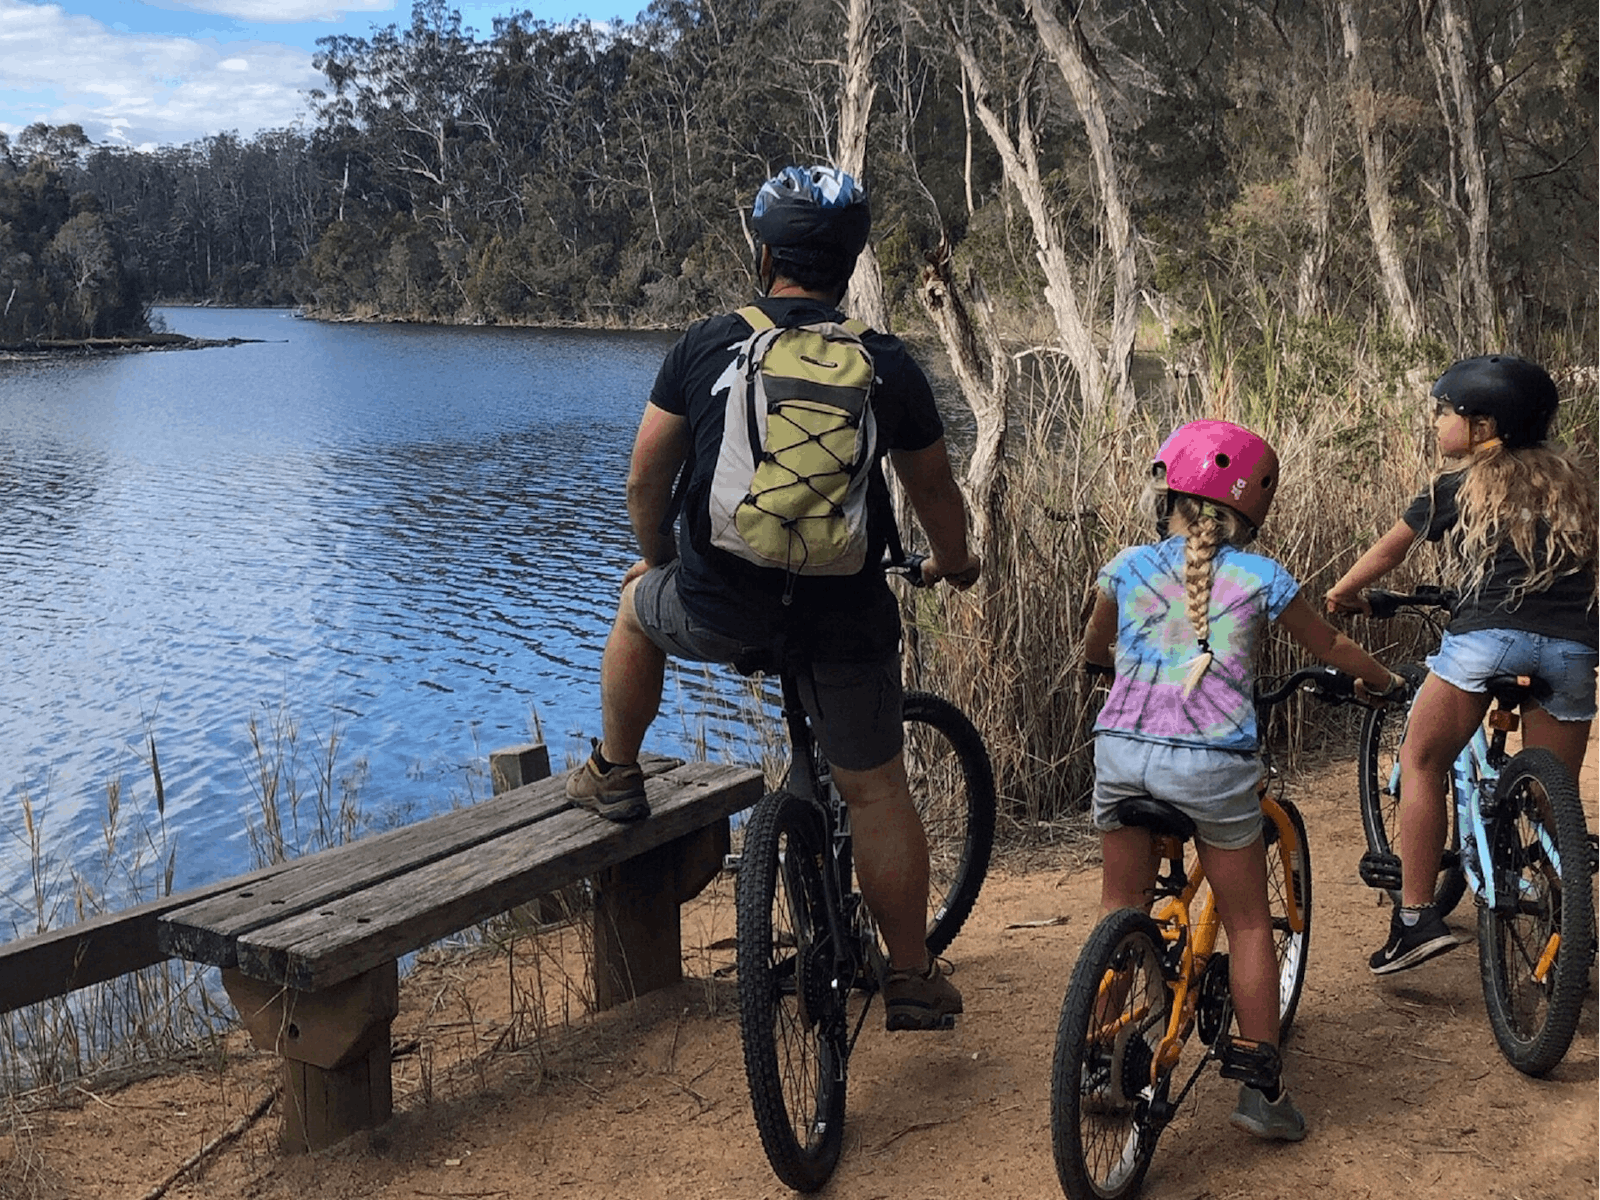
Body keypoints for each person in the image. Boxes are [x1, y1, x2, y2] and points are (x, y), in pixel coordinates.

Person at [565, 164, 983, 1032]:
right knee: (874, 792)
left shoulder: (708, 342)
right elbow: (937, 495)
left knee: (636, 606)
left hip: (718, 602)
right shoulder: (887, 361)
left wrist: (657, 561)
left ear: (765, 256)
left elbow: (648, 474)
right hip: (844, 615)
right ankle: (909, 974)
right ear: (852, 262)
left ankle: (616, 774)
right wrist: (957, 563)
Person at [1084, 419, 1405, 1142]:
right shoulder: (1261, 577)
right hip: (1212, 765)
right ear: (1250, 508)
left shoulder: (1126, 564)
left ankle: (1097, 1060)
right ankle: (1259, 1090)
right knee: (1251, 921)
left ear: (1165, 491)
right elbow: (1330, 644)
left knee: (1117, 905)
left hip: (1120, 755)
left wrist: (1105, 670)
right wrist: (1382, 681)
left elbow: (1095, 643)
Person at [1325, 355, 1598, 976]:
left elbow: (1392, 551)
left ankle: (1417, 919)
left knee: (1422, 761)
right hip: (1575, 649)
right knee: (1557, 802)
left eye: (1446, 410)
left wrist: (1342, 593)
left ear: (1482, 426)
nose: (1437, 420)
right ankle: (1568, 923)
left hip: (1487, 643)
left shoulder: (1460, 487)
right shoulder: (1577, 488)